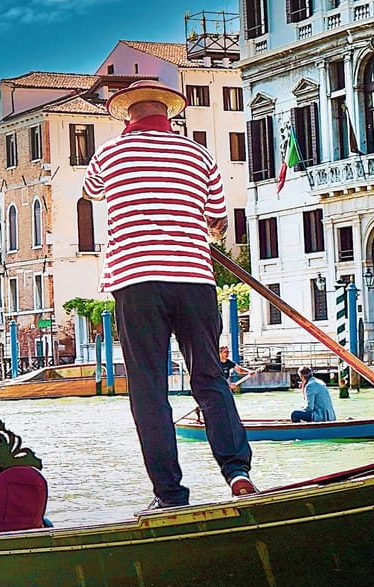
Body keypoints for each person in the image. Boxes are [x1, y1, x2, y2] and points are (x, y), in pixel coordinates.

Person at [81, 79, 254, 509]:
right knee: (210, 379)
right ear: (169, 115)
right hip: (194, 278)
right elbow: (217, 220)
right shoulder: (199, 156)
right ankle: (237, 472)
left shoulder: (108, 154)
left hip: (136, 282)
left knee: (149, 389)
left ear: (127, 115)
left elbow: (90, 191)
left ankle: (170, 494)